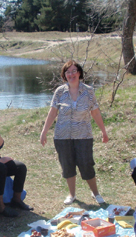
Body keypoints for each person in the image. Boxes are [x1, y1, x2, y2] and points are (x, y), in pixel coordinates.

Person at [40, 60, 109, 205]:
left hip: (84, 136)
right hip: (62, 136)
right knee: (67, 165)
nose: (71, 74)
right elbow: (52, 113)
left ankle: (96, 193)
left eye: (73, 71)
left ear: (79, 73)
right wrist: (44, 132)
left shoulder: (88, 91)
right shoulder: (59, 92)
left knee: (86, 164)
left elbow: (95, 113)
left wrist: (104, 131)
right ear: (64, 75)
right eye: (68, 72)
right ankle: (72, 195)